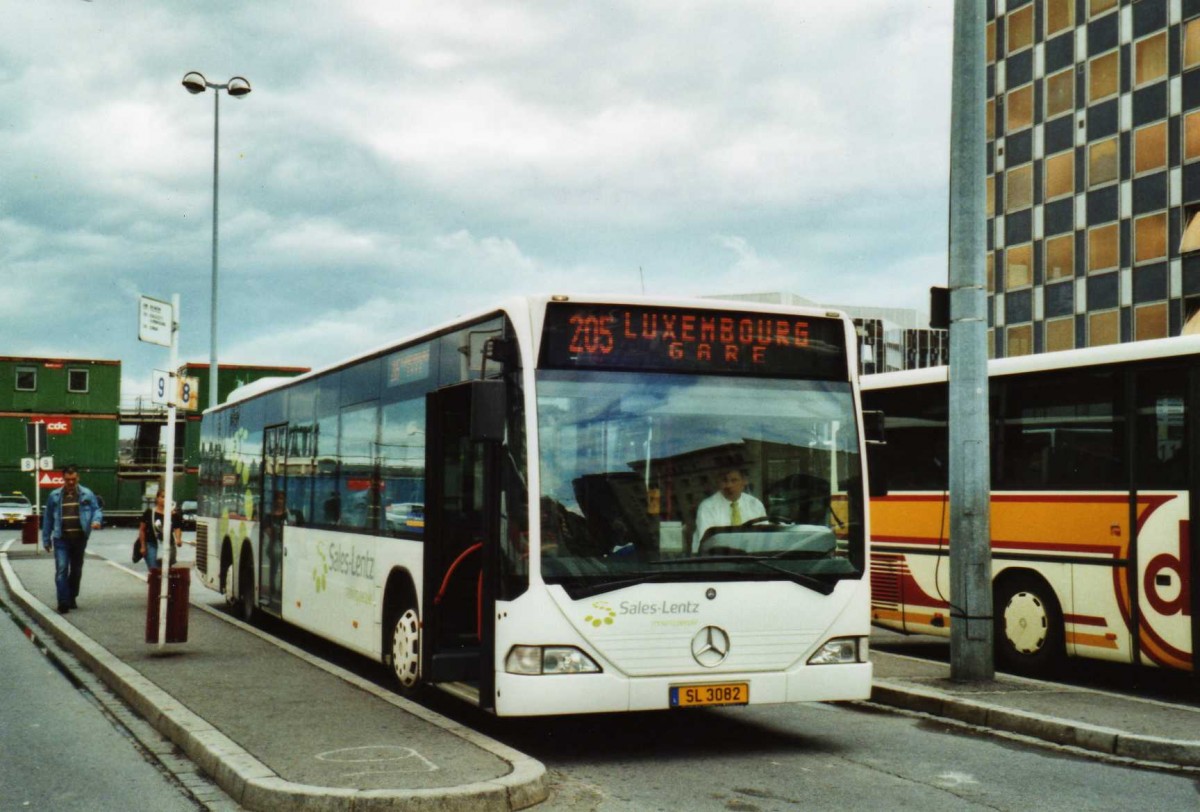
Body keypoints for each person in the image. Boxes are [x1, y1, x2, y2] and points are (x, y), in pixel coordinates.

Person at [41, 464, 103, 613]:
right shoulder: (54, 496)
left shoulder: (87, 494)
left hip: (79, 538)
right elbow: (48, 518)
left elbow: (97, 510)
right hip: (61, 538)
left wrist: (96, 521)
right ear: (63, 478)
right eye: (68, 479)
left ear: (78, 478)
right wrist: (46, 539)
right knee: (61, 569)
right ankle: (63, 601)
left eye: (73, 479)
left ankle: (71, 596)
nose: (70, 482)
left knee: (76, 570)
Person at [693, 467, 765, 547]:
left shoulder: (755, 504)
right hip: (720, 556)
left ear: (744, 481)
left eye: (734, 480)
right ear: (718, 482)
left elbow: (764, 536)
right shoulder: (707, 507)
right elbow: (708, 542)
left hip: (751, 556)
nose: (729, 485)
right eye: (724, 480)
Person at [138, 489, 182, 571]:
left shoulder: (173, 514)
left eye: (167, 497)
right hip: (152, 544)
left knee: (166, 571)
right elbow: (142, 530)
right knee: (154, 570)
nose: (165, 499)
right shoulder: (149, 512)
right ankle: (155, 583)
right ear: (157, 498)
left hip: (169, 545)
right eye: (162, 497)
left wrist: (178, 539)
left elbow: (177, 528)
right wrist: (143, 546)